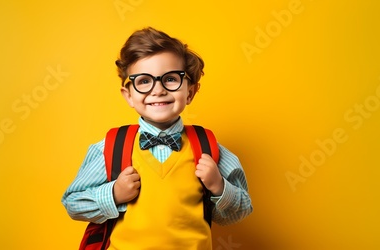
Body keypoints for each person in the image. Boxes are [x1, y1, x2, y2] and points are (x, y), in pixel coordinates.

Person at [61, 27, 253, 250]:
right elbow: (72, 204)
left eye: (171, 79)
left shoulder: (207, 147)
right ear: (129, 95)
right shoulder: (110, 148)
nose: (158, 90)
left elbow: (241, 210)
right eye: (144, 81)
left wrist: (219, 186)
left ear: (190, 91)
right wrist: (113, 194)